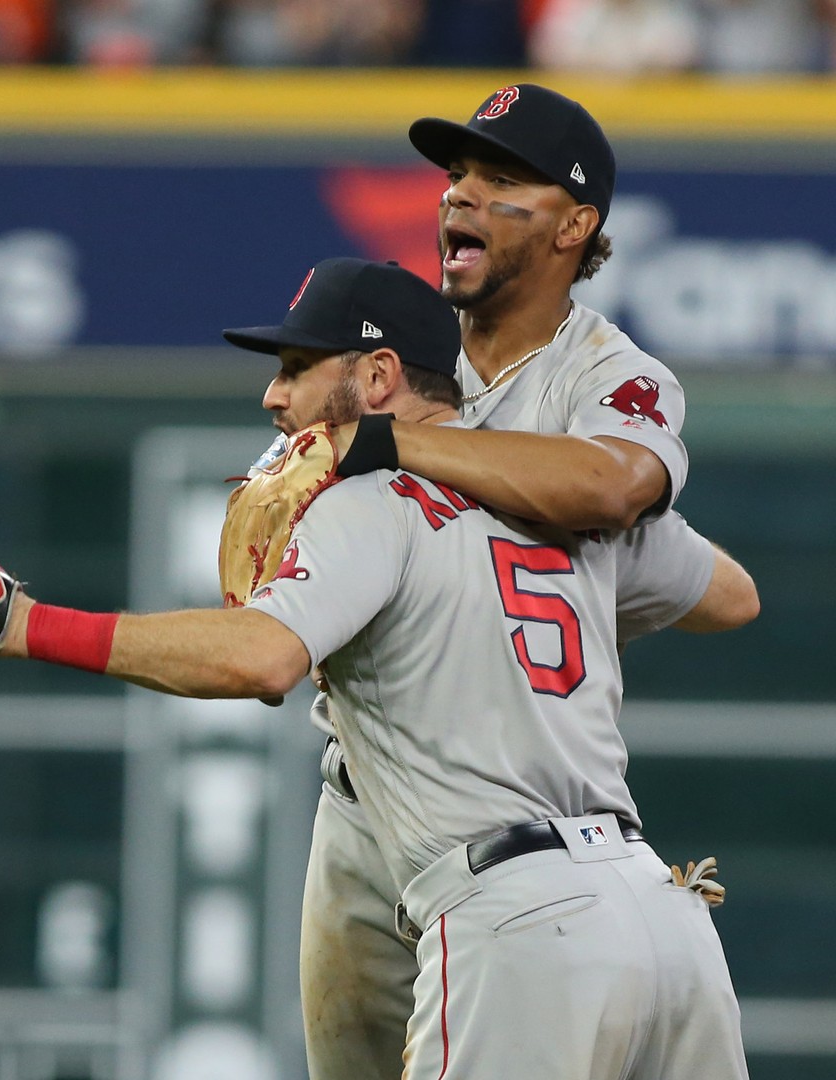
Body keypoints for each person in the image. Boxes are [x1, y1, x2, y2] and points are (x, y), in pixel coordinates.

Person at [0, 257, 750, 1079]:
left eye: (299, 367)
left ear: (379, 377)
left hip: (523, 929)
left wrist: (20, 622)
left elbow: (264, 659)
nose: (275, 395)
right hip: (664, 924)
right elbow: (731, 597)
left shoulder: (363, 500)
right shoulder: (559, 494)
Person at [292, 84, 758, 1080]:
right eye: (457, 174)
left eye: (502, 181)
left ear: (574, 225)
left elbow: (633, 500)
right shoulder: (410, 356)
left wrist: (393, 444)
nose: (460, 196)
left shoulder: (603, 376)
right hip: (361, 807)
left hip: (510, 838)